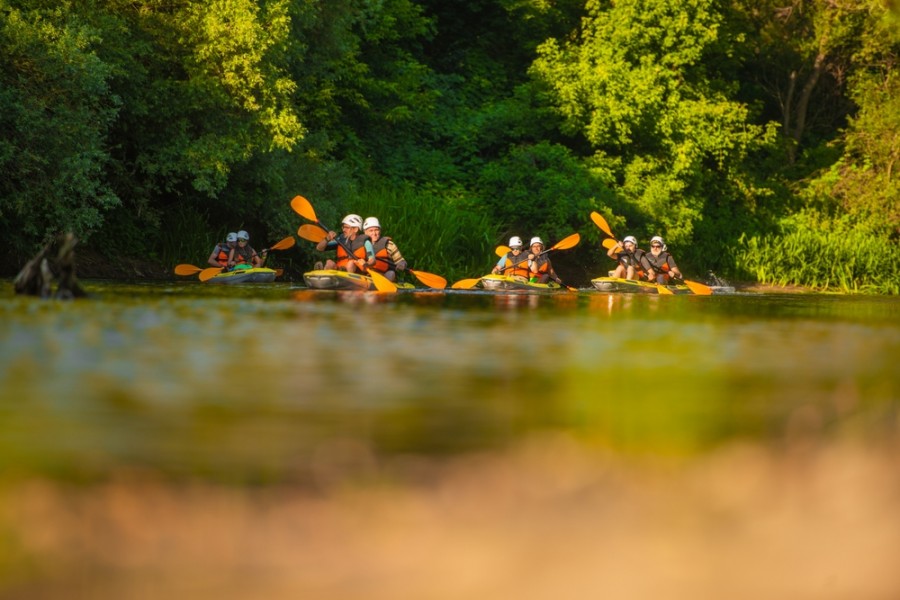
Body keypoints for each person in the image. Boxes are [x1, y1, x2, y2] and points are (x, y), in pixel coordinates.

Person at [363, 217, 407, 282]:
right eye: (371, 230)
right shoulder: (361, 244)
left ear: (380, 230)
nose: (374, 233)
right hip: (366, 274)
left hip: (385, 274)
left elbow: (401, 261)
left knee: (391, 274)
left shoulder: (389, 245)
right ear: (365, 232)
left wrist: (402, 264)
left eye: (376, 230)